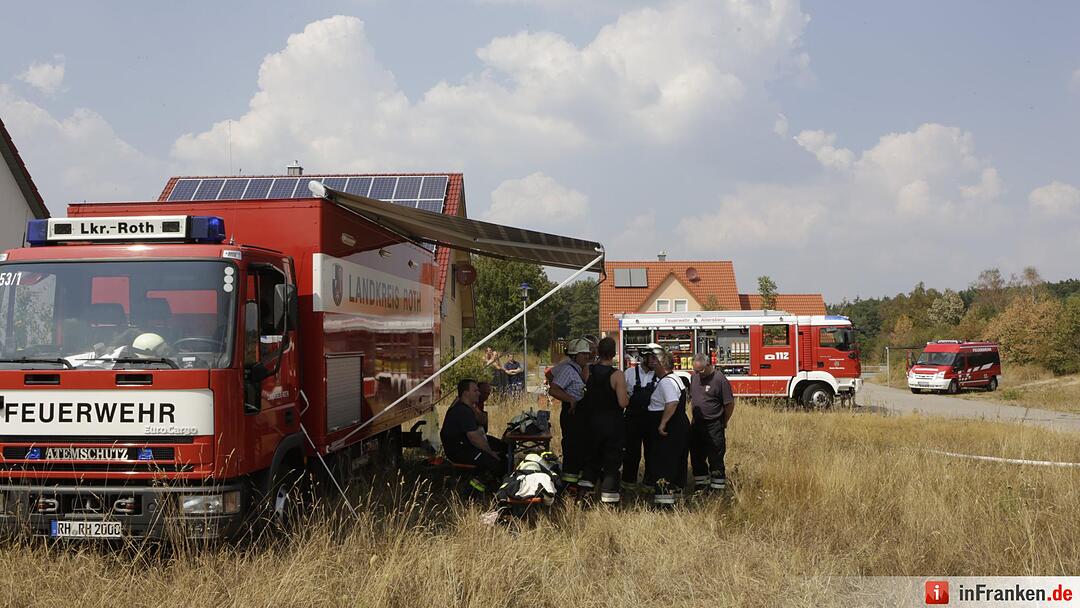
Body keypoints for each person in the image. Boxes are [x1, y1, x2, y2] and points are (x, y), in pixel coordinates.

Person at [580, 337, 630, 503]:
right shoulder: (617, 375)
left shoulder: (588, 370)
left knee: (591, 459)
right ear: (614, 353)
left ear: (598, 352)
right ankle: (609, 501)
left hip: (591, 422)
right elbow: (623, 402)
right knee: (611, 462)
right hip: (612, 425)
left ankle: (584, 496)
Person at [441, 379, 507, 489]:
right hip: (459, 452)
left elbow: (483, 426)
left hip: (465, 447)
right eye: (475, 391)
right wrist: (490, 452)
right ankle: (476, 490)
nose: (479, 393)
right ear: (466, 393)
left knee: (502, 449)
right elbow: (474, 437)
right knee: (497, 463)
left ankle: (489, 484)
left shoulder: (468, 408)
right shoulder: (462, 410)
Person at [644, 350, 690, 506]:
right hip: (679, 427)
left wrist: (662, 423)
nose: (652, 363)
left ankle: (664, 503)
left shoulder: (666, 382)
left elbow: (672, 402)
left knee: (663, 463)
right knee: (676, 462)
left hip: (668, 430)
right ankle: (675, 496)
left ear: (662, 364)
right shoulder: (675, 378)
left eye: (654, 361)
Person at [547, 338, 591, 485]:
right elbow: (553, 389)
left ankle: (575, 483)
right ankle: (569, 486)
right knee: (573, 450)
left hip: (579, 415)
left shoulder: (578, 369)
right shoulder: (568, 369)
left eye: (587, 353)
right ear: (574, 355)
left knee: (579, 449)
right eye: (583, 354)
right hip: (572, 415)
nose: (587, 356)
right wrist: (570, 399)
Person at [689, 353, 735, 490]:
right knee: (697, 457)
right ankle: (701, 487)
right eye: (696, 370)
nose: (698, 374)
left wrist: (724, 421)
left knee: (715, 457)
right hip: (697, 424)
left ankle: (717, 489)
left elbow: (729, 404)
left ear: (709, 365)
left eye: (701, 370)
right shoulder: (694, 377)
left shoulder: (719, 379)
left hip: (714, 424)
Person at [622, 343, 660, 492]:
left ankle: (649, 485)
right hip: (632, 419)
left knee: (652, 453)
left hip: (651, 420)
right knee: (631, 453)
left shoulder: (659, 374)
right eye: (652, 357)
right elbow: (623, 395)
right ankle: (628, 485)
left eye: (657, 357)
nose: (655, 360)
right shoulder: (629, 374)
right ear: (643, 357)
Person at [476, 381, 508, 456]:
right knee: (503, 447)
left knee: (506, 445)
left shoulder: (480, 403)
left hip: (481, 435)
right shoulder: (472, 404)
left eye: (488, 394)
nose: (486, 396)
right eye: (484, 393)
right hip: (476, 439)